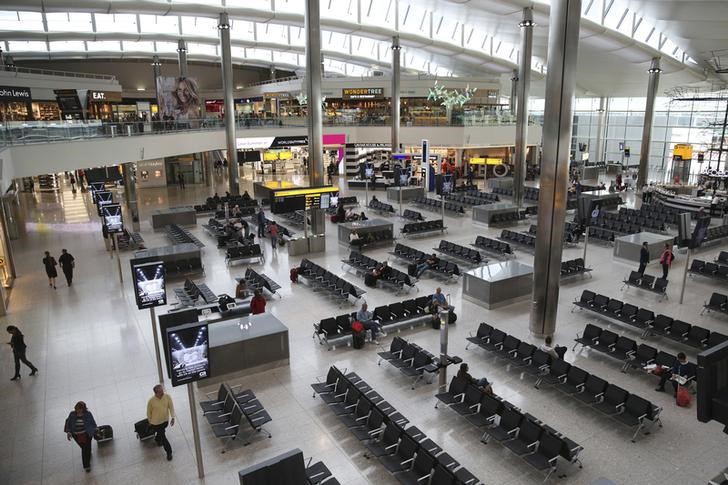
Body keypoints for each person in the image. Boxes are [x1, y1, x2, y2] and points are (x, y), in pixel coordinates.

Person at [64, 401, 98, 472]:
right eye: (77, 409)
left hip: (87, 434)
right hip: (76, 435)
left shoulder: (88, 414)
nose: (78, 411)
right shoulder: (72, 414)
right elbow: (68, 423)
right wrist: (69, 432)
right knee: (84, 447)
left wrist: (95, 428)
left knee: (85, 449)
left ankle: (86, 466)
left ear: (84, 409)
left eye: (80, 409)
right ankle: (88, 453)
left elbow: (92, 422)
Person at [147, 384, 175, 461]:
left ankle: (157, 439)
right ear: (156, 393)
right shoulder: (151, 401)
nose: (162, 392)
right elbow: (148, 412)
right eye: (160, 392)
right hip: (155, 423)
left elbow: (171, 407)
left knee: (161, 432)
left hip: (165, 421)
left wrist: (172, 417)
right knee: (163, 437)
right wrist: (150, 421)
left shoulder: (167, 397)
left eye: (162, 390)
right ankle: (169, 452)